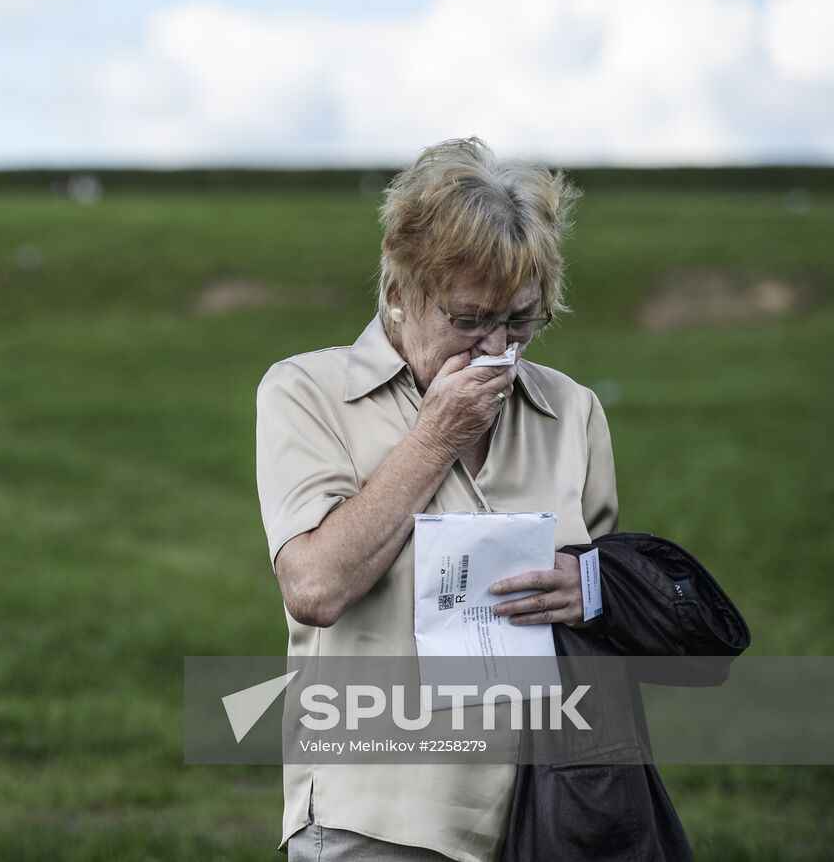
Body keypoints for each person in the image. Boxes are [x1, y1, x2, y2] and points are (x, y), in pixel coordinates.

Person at [255, 137, 619, 862]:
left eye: (520, 322)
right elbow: (317, 586)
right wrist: (435, 437)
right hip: (377, 823)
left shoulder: (571, 409)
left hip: (544, 819)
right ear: (399, 289)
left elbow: (606, 600)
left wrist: (591, 592)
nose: (496, 350)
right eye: (468, 319)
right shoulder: (307, 392)